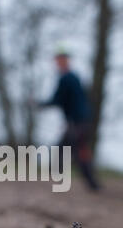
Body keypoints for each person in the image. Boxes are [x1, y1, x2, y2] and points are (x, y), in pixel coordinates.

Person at [41, 46, 100, 191]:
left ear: (66, 61)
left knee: (72, 151)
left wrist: (39, 104)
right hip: (80, 121)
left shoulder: (67, 78)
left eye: (62, 59)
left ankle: (88, 183)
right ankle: (91, 183)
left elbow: (57, 99)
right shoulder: (72, 77)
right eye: (58, 59)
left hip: (78, 122)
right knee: (74, 150)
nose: (59, 62)